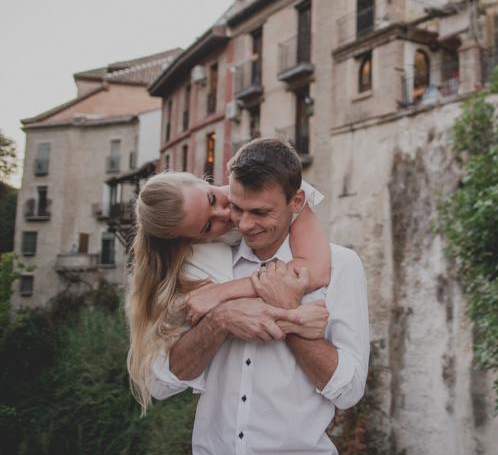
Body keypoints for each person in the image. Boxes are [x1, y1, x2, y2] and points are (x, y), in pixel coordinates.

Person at [152, 138, 370, 455]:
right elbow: (160, 384)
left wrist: (287, 312)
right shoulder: (205, 265)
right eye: (237, 207)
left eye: (260, 212)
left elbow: (348, 392)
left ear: (297, 201)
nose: (244, 224)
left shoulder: (341, 266)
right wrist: (219, 320)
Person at [125, 170, 332, 416]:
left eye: (212, 199)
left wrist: (222, 293)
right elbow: (159, 384)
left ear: (202, 181)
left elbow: (317, 270)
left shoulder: (271, 189)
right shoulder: (196, 258)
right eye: (207, 226)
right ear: (189, 238)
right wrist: (294, 320)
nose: (226, 215)